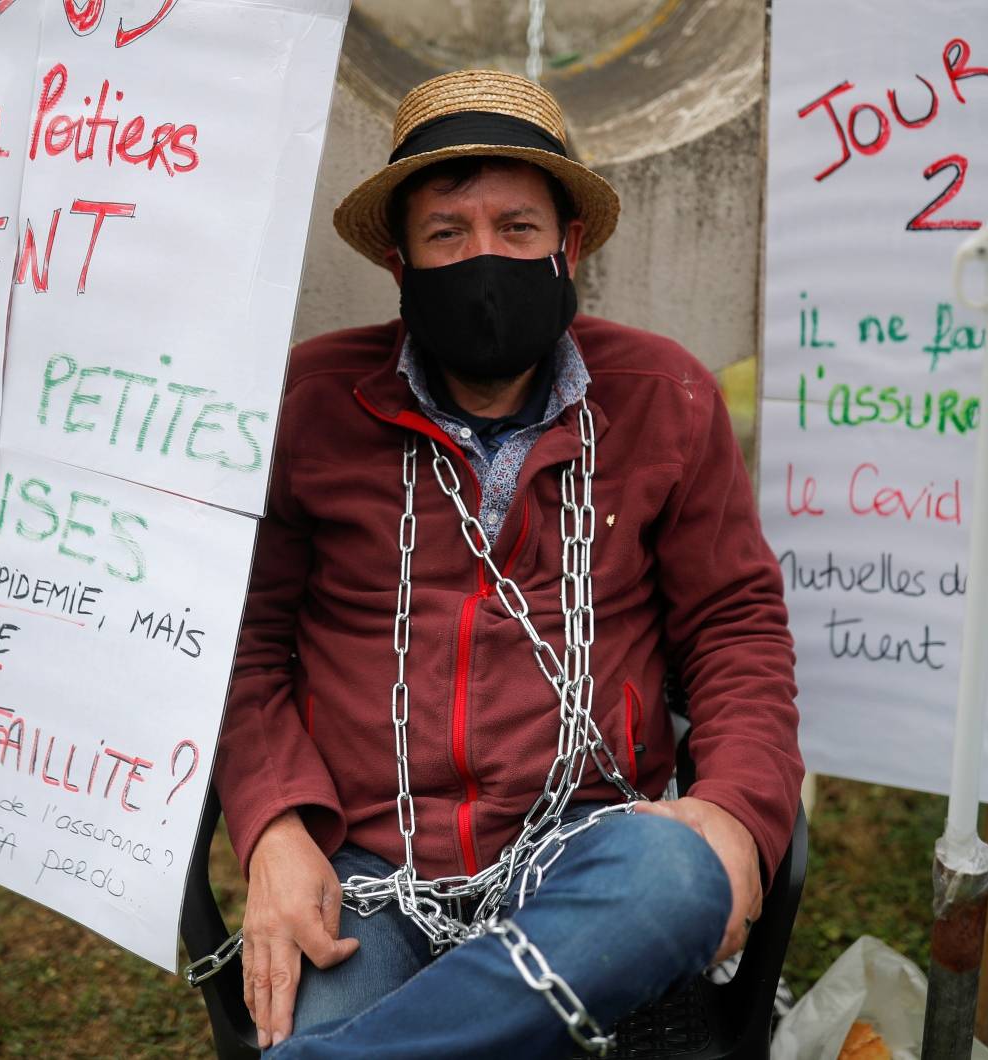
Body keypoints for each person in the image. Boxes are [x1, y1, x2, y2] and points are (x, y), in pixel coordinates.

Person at [212, 68, 802, 1058]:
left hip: (591, 853)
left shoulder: (666, 398)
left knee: (675, 873)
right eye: (447, 234)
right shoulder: (307, 407)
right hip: (367, 873)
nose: (484, 258)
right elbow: (244, 645)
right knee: (329, 1000)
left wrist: (739, 815)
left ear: (568, 247)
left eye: (517, 229)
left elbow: (735, 630)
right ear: (399, 262)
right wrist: (274, 830)